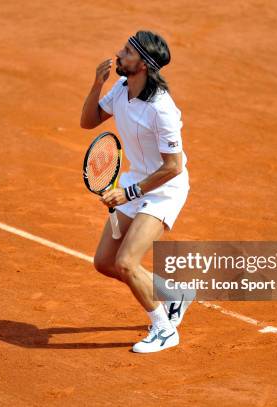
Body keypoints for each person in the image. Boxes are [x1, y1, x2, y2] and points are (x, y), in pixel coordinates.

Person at [80, 31, 193, 353]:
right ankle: (176, 295)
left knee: (127, 262)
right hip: (137, 182)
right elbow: (88, 122)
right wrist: (96, 85)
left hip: (164, 189)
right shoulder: (120, 89)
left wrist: (129, 193)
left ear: (142, 64)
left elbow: (172, 167)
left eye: (127, 51)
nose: (119, 53)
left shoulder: (162, 109)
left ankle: (163, 328)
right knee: (105, 262)